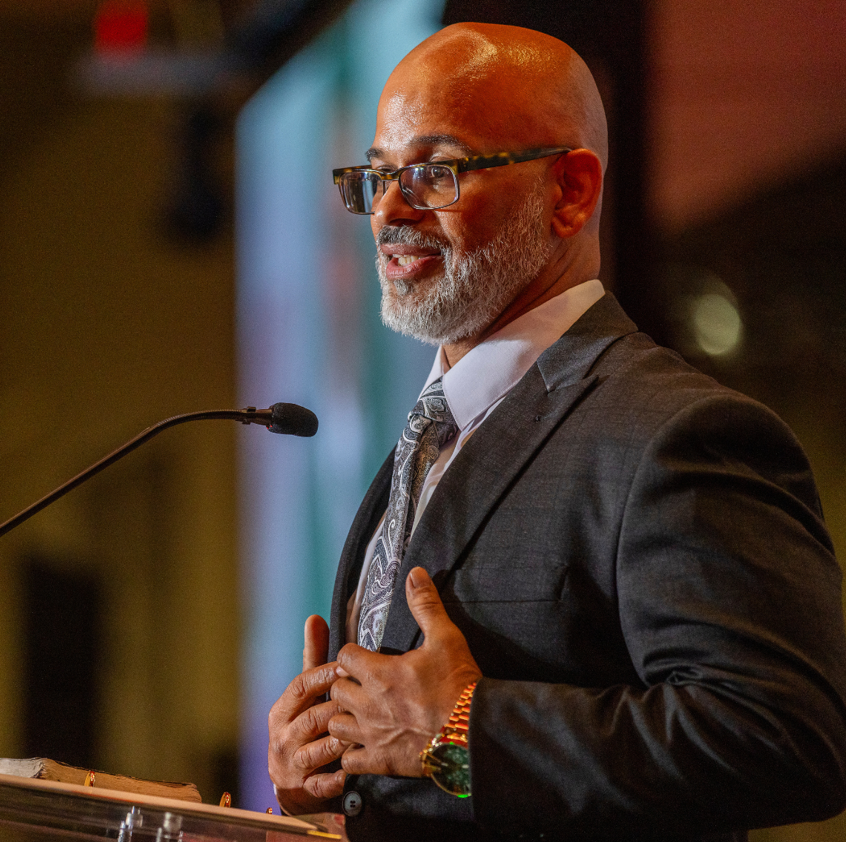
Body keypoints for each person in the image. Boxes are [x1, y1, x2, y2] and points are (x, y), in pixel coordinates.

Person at [268, 22, 846, 842]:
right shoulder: (429, 436)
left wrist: (466, 735)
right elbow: (419, 761)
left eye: (434, 171)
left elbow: (788, 740)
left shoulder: (676, 435)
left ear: (570, 192)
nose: (389, 209)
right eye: (378, 173)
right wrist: (328, 774)